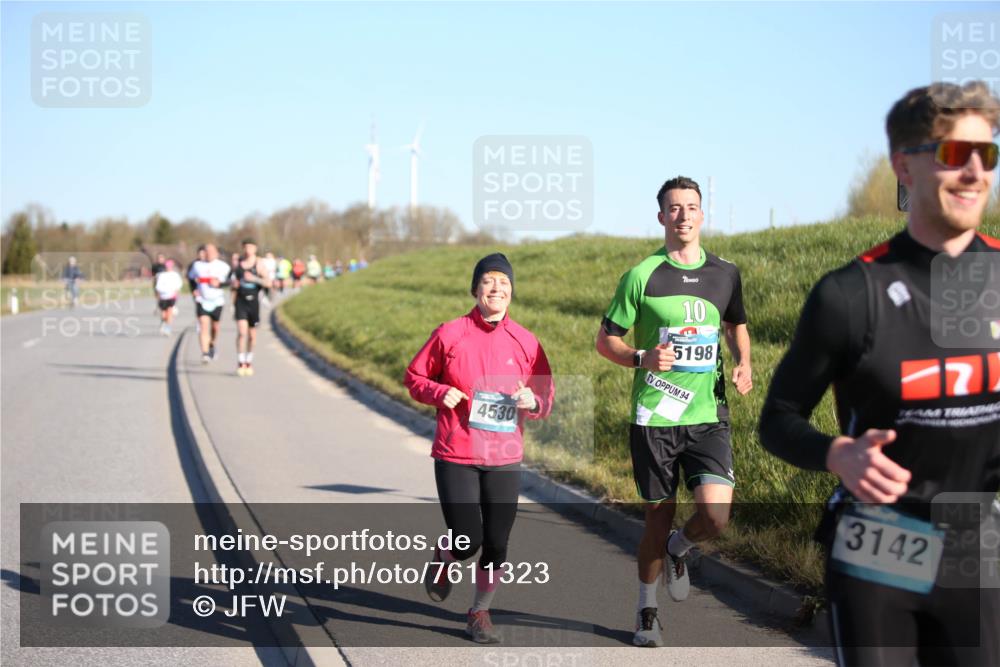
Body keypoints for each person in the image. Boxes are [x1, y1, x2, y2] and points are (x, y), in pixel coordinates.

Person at [759, 81, 1000, 666]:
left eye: (986, 154)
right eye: (951, 154)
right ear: (904, 164)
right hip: (883, 543)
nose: (973, 171)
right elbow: (777, 420)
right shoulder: (849, 294)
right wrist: (838, 455)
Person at [595, 176, 752, 648]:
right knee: (655, 521)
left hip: (707, 414)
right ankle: (647, 611)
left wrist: (743, 362)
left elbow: (736, 325)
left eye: (692, 207)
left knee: (716, 517)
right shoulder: (642, 275)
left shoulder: (726, 273)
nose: (683, 215)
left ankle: (680, 549)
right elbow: (606, 340)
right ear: (662, 217)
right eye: (674, 208)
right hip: (655, 416)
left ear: (703, 215)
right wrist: (641, 358)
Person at [404, 253, 554, 644]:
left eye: (504, 283)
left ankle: (479, 611)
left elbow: (544, 393)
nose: (496, 289)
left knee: (498, 541)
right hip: (457, 452)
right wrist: (440, 392)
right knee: (467, 538)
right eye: (488, 282)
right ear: (475, 289)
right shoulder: (450, 334)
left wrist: (532, 402)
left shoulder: (526, 341)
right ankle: (445, 557)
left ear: (512, 293)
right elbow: (415, 376)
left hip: (504, 456)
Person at [230, 239, 272, 376]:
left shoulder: (259, 265)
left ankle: (248, 360)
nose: (248, 249)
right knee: (242, 332)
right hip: (240, 302)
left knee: (252, 336)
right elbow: (233, 285)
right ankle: (240, 361)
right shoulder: (239, 265)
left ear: (255, 248)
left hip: (253, 303)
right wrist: (232, 299)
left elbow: (268, 283)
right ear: (243, 248)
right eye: (246, 247)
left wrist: (254, 279)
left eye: (251, 247)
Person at [188, 243, 232, 363]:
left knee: (215, 327)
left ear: (216, 253)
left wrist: (220, 284)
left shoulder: (223, 266)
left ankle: (211, 343)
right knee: (203, 325)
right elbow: (191, 278)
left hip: (217, 300)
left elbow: (232, 281)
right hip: (202, 300)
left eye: (211, 251)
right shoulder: (197, 265)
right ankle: (205, 353)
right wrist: (194, 290)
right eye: (206, 251)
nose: (208, 253)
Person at [154, 259, 182, 335]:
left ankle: (168, 328)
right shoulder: (162, 275)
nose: (168, 268)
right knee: (163, 314)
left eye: (169, 266)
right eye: (167, 266)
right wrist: (159, 294)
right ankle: (163, 322)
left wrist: (176, 292)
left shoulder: (175, 275)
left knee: (169, 312)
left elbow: (178, 285)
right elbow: (158, 286)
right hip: (163, 297)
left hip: (171, 296)